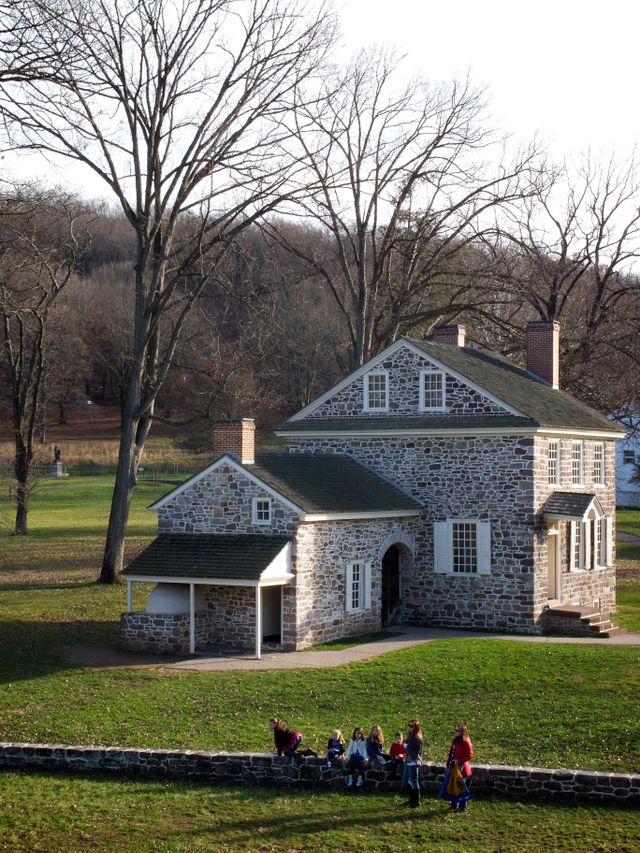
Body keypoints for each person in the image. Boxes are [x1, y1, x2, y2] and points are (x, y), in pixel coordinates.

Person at [443, 724, 474, 812]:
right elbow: (451, 755)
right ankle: (454, 805)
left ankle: (463, 807)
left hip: (462, 769)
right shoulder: (455, 741)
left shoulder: (466, 742)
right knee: (453, 786)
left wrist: (459, 761)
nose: (455, 732)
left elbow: (470, 755)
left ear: (461, 732)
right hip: (453, 768)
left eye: (457, 730)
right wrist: (448, 765)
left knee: (461, 789)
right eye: (454, 730)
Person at [402, 719, 423, 808]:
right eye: (408, 725)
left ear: (416, 728)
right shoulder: (410, 735)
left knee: (414, 781)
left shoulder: (417, 738)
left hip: (413, 762)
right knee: (405, 781)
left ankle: (416, 800)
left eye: (411, 726)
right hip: (408, 760)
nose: (409, 727)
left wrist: (406, 748)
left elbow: (417, 753)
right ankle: (412, 798)